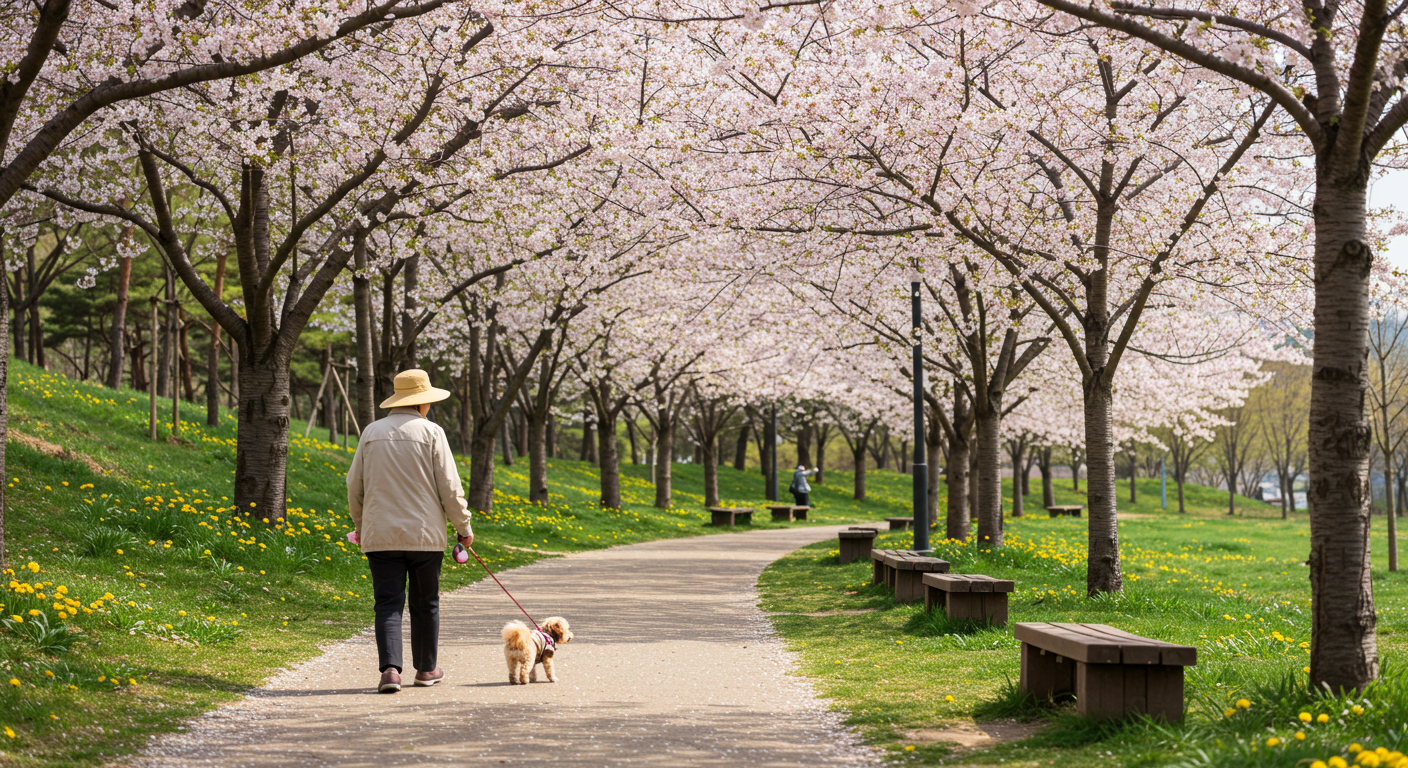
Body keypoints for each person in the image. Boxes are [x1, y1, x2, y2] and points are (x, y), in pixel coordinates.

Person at [347, 369, 473, 693]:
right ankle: (427, 669)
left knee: (388, 603)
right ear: (422, 403)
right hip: (424, 535)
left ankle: (390, 671)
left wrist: (362, 527)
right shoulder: (433, 433)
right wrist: (464, 528)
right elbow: (450, 486)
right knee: (425, 602)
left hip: (381, 534)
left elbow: (354, 485)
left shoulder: (371, 432)